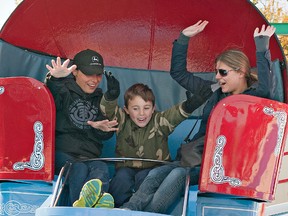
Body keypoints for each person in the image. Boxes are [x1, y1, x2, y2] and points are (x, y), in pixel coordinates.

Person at [121, 20, 276, 214]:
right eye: (216, 72)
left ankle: (150, 213)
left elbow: (267, 90)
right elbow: (178, 73)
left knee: (177, 175)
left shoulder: (251, 97)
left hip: (222, 164)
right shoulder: (213, 91)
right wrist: (183, 39)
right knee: (155, 174)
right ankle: (127, 211)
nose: (218, 77)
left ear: (241, 72)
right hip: (196, 157)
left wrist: (262, 48)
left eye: (223, 72)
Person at [99, 80, 211, 208]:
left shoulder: (159, 121)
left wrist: (190, 105)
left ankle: (138, 211)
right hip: (126, 168)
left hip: (154, 169)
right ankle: (117, 209)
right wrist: (111, 95)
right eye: (135, 109)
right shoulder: (122, 120)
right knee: (121, 178)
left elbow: (175, 115)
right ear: (127, 110)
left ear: (153, 109)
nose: (141, 113)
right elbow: (108, 110)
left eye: (146, 108)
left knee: (144, 177)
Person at [45, 49, 119, 207]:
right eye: (89, 74)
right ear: (75, 72)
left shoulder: (100, 99)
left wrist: (101, 129)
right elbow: (50, 96)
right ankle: (77, 209)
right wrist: (55, 79)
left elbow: (104, 135)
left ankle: (92, 207)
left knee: (101, 169)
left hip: (89, 156)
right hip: (62, 154)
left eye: (98, 74)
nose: (95, 80)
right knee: (77, 169)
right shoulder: (64, 91)